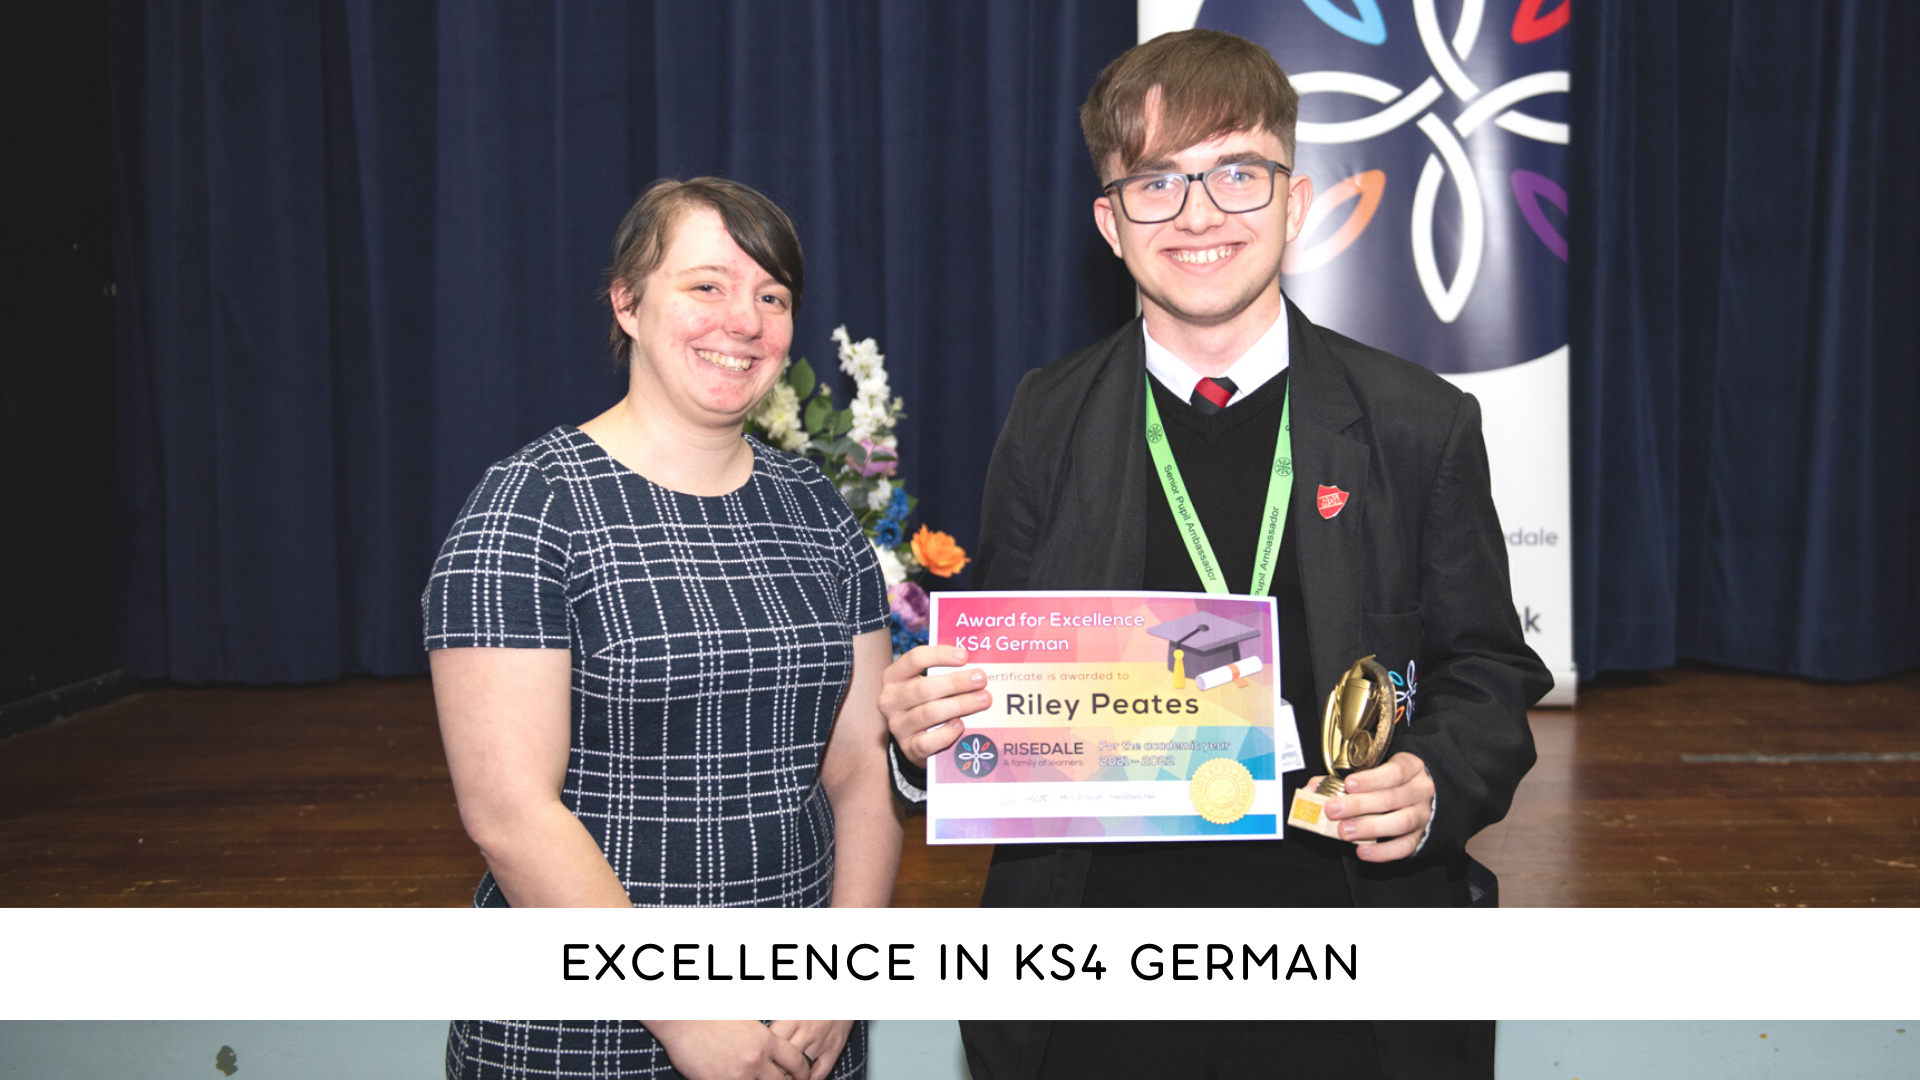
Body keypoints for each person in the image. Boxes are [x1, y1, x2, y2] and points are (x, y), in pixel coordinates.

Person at [878, 29, 1551, 1080]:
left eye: (1238, 173)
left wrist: (1434, 781)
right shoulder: (1045, 418)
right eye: (1156, 182)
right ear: (1110, 224)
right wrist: (927, 736)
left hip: (1353, 967)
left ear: (1295, 201)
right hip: (1098, 971)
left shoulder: (1417, 421)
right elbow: (995, 679)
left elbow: (1491, 672)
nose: (1198, 215)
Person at [424, 177, 900, 1080]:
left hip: (800, 1027)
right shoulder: (529, 507)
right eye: (707, 285)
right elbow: (510, 814)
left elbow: (860, 771)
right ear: (628, 303)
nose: (744, 321)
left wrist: (847, 973)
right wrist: (686, 1014)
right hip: (585, 1032)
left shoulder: (817, 510)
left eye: (772, 296)